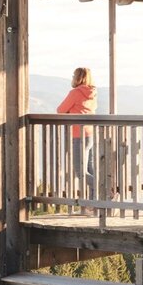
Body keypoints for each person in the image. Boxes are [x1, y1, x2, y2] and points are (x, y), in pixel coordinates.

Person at [57, 67, 98, 197]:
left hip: (78, 135)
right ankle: (95, 202)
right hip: (90, 133)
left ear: (78, 77)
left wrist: (70, 111)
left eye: (74, 75)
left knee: (80, 171)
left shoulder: (75, 93)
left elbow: (60, 109)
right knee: (90, 168)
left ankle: (107, 191)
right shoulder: (93, 93)